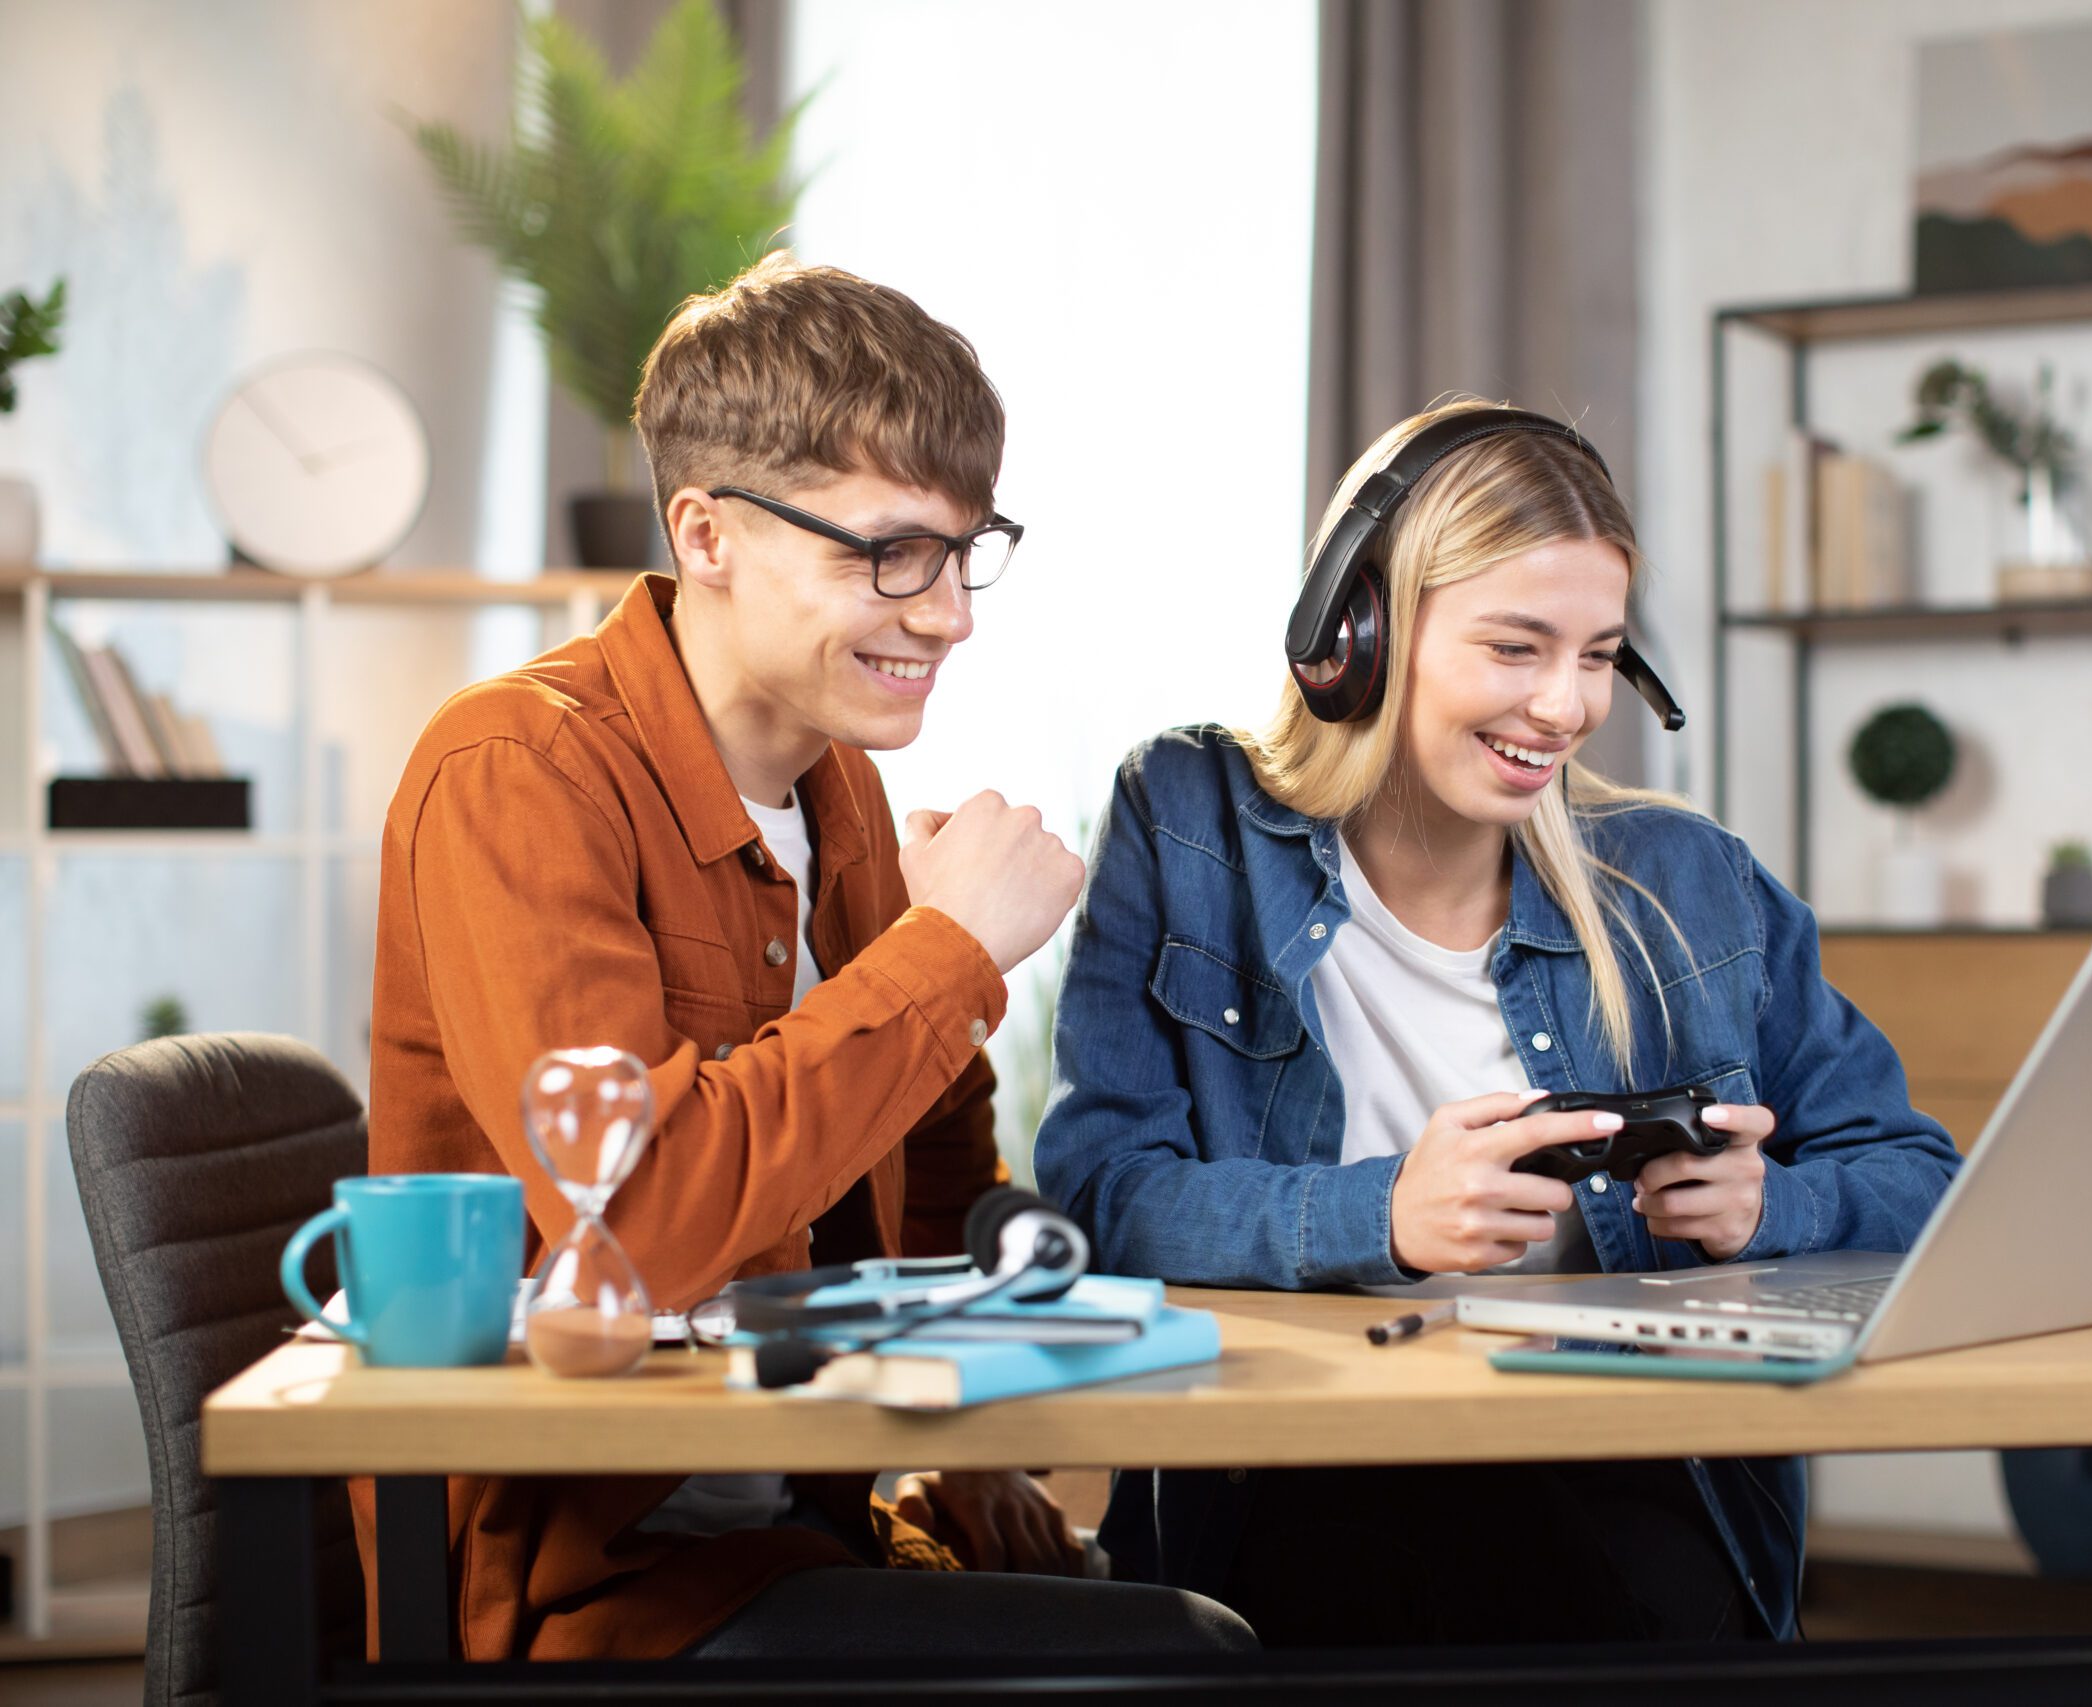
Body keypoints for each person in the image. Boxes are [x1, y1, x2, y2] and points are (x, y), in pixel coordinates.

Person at [359, 253, 1250, 1663]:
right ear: (706, 534)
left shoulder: (839, 791)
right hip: (598, 1584)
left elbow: (937, 1176)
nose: (948, 609)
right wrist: (946, 948)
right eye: (887, 552)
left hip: (805, 1513)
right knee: (1183, 1649)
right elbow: (634, 1215)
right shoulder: (516, 768)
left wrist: (972, 1446)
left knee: (1216, 1571)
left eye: (965, 551)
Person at [1033, 399, 1963, 1645]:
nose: (1566, 706)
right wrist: (1385, 1218)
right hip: (1300, 1470)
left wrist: (1769, 1209)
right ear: (1355, 635)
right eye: (1516, 649)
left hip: (1617, 1472)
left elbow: (1920, 1174)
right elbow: (1101, 1196)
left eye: (1596, 656)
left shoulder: (1689, 884)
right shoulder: (1188, 820)